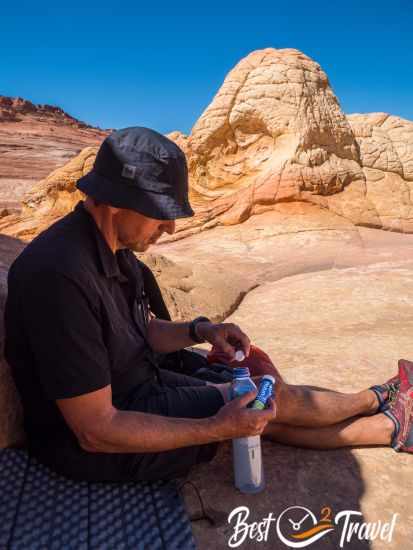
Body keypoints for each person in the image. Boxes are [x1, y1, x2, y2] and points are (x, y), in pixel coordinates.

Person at [4, 127, 412, 484]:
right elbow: (95, 429)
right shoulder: (59, 276)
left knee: (256, 404)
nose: (170, 227)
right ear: (115, 201)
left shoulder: (113, 247)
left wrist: (202, 331)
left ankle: (391, 425)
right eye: (161, 214)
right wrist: (218, 428)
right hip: (97, 446)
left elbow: (139, 331)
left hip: (138, 388)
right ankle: (380, 398)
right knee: (263, 403)